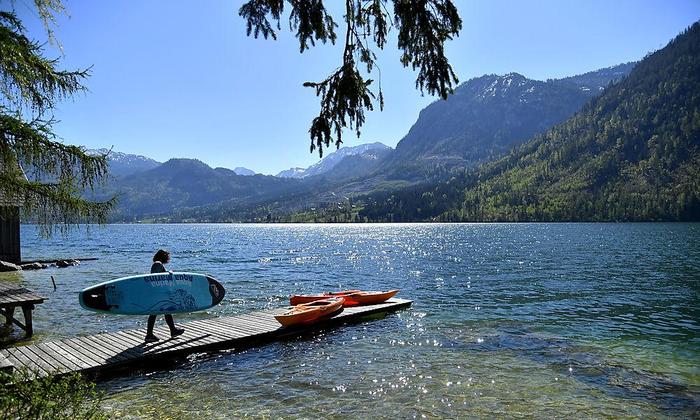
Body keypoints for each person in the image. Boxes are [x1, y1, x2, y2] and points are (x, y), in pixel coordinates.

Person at [145, 249, 185, 342]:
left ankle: (173, 330)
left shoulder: (157, 264)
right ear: (163, 256)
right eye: (167, 256)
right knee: (154, 313)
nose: (168, 258)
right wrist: (169, 273)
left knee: (165, 310)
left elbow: (159, 276)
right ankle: (149, 335)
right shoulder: (157, 264)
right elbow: (156, 277)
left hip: (158, 292)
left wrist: (167, 273)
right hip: (157, 292)